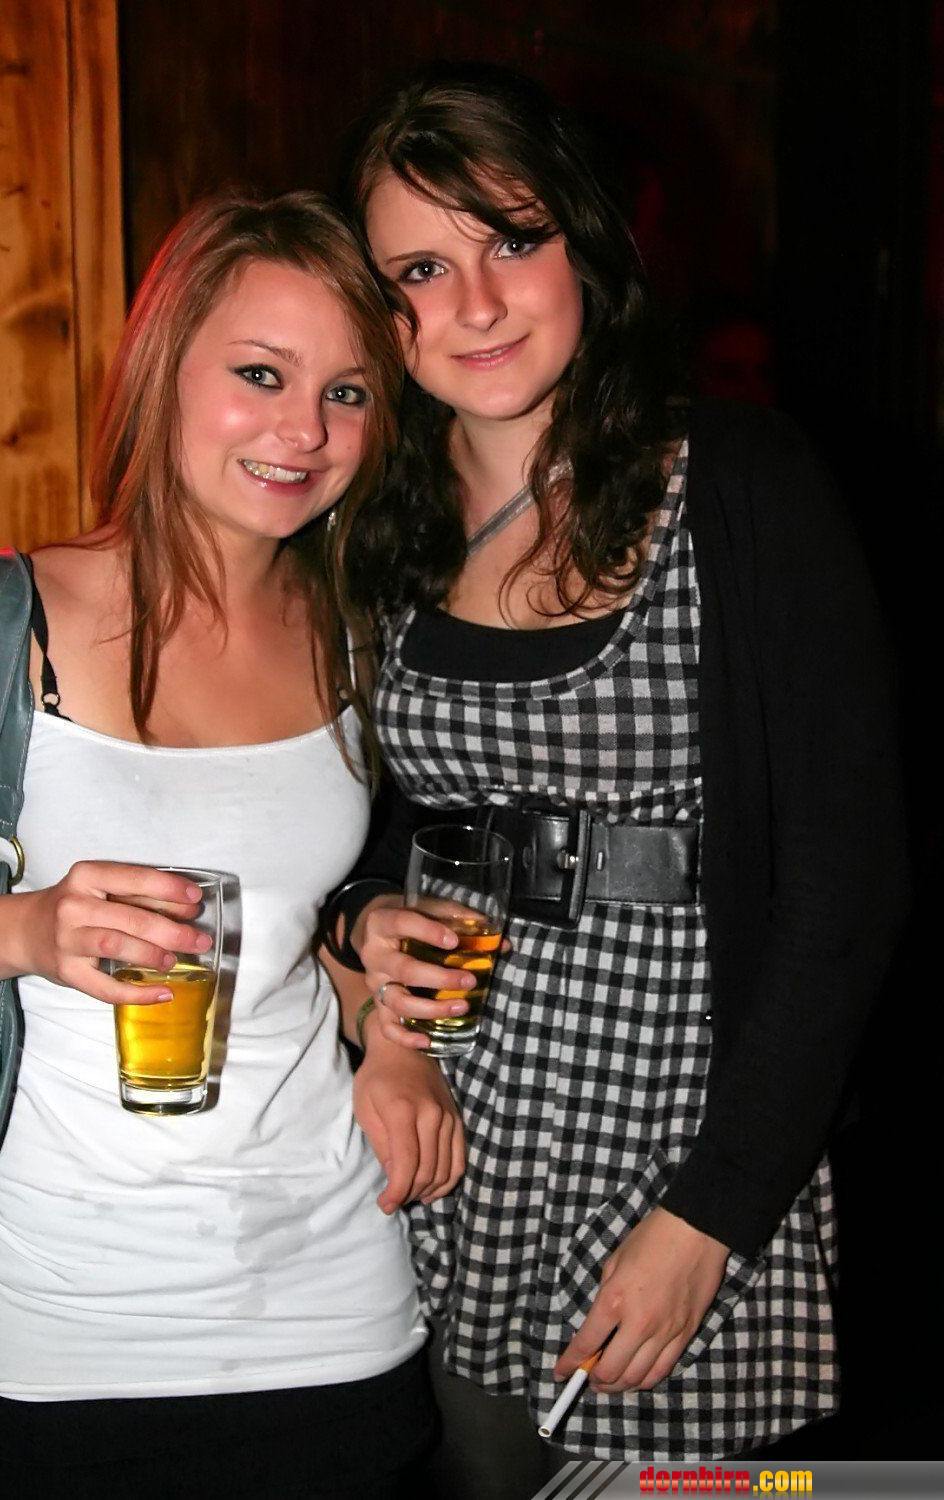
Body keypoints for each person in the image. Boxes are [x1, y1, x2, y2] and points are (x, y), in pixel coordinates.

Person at [320, 64, 908, 1492]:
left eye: (511, 239)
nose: (476, 303)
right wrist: (363, 947)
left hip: (686, 1124)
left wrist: (713, 1215)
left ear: (582, 239)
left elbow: (850, 880)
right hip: (450, 1122)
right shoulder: (365, 517)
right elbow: (347, 830)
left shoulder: (739, 482)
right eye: (419, 270)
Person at [0, 190, 464, 1499]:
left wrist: (395, 1037)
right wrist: (26, 928)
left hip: (336, 1303)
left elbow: (314, 920)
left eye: (348, 393)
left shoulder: (355, 633)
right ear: (165, 368)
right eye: (260, 375)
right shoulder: (0, 624)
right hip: (63, 1323)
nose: (305, 431)